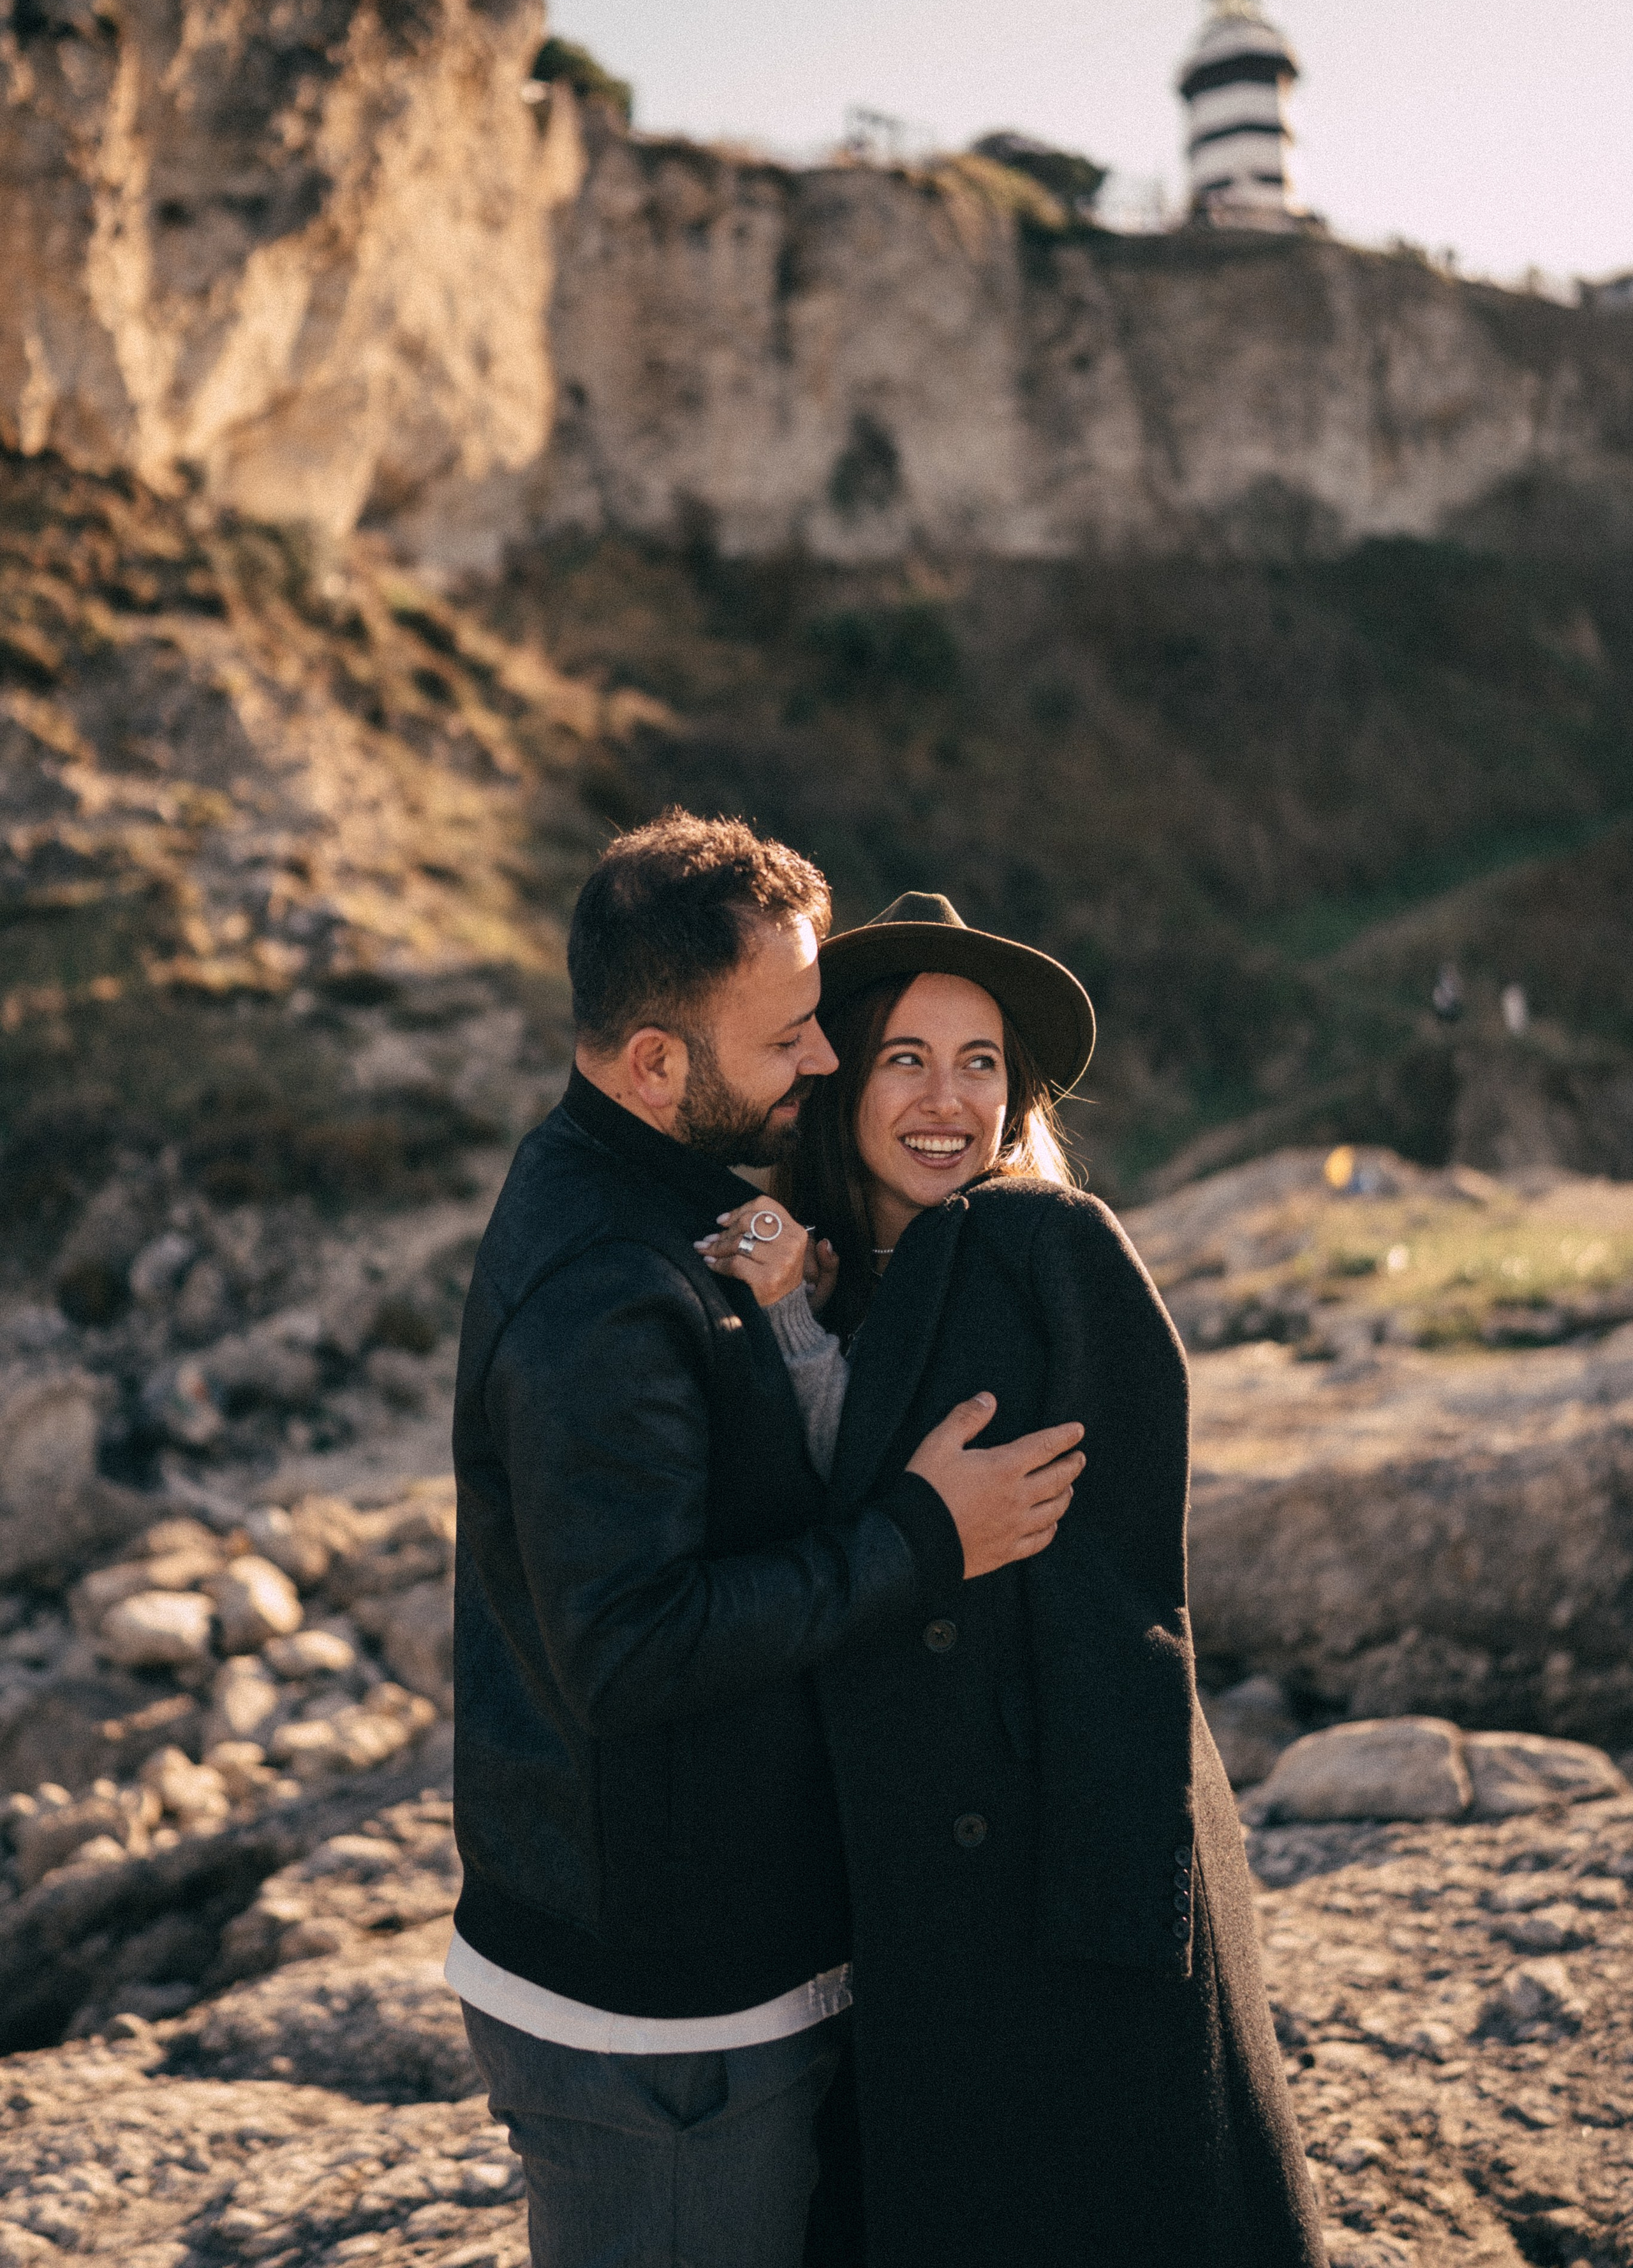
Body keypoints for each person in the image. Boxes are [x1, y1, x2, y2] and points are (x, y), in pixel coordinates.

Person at [446, 818, 1088, 2268]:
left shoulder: (679, 1206)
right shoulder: (607, 1288)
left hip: (708, 1967)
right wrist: (925, 1537)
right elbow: (629, 1649)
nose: (825, 1058)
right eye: (791, 1035)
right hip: (656, 2017)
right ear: (655, 1064)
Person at [697, 891, 1326, 2268]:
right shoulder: (855, 1277)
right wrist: (794, 1317)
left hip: (1055, 1872)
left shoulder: (1047, 1245)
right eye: (906, 1060)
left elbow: (1126, 1603)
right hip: (911, 1883)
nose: (947, 1100)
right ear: (842, 1083)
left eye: (979, 1062)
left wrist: (1116, 1916)